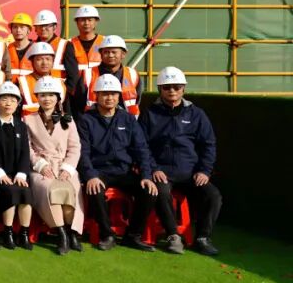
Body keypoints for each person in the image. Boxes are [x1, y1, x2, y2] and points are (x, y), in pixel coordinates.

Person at [141, 66, 221, 256]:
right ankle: (173, 236)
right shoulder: (149, 114)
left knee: (213, 196)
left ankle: (203, 238)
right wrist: (153, 168)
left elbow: (208, 144)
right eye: (167, 87)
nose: (172, 91)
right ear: (160, 89)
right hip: (162, 172)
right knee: (160, 192)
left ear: (183, 88)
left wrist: (204, 170)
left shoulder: (196, 114)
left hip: (191, 172)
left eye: (176, 87)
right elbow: (141, 146)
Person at [78, 74, 158, 251]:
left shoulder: (128, 119)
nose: (109, 98)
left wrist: (146, 175)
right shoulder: (86, 120)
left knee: (149, 191)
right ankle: (107, 235)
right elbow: (83, 152)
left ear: (119, 96)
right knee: (95, 189)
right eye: (105, 94)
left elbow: (141, 149)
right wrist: (90, 175)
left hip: (124, 171)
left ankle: (133, 236)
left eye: (113, 94)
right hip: (99, 171)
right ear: (96, 95)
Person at [24, 75, 84, 255]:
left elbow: (75, 147)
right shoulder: (28, 120)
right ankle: (61, 233)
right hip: (40, 168)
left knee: (71, 189)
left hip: (64, 166)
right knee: (48, 189)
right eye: (43, 95)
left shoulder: (68, 120)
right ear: (37, 97)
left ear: (58, 98)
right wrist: (40, 165)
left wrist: (67, 168)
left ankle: (72, 232)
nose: (47, 99)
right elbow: (27, 148)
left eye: (51, 95)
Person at [0, 82, 33, 250]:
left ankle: (24, 233)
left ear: (18, 103)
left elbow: (25, 152)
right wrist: (0, 173)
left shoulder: (21, 125)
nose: (8, 103)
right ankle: (8, 232)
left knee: (26, 191)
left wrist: (21, 173)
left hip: (16, 173)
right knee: (11, 191)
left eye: (13, 100)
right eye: (4, 99)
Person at [32, 9, 81, 113]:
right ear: (35, 29)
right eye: (40, 26)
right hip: (36, 93)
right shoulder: (31, 46)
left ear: (54, 27)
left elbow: (73, 74)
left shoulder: (65, 45)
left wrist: (64, 94)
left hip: (59, 96)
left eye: (47, 26)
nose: (43, 29)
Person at [82, 35, 141, 116]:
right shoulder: (88, 74)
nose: (110, 55)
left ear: (123, 54)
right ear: (100, 54)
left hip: (127, 121)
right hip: (94, 121)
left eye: (114, 52)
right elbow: (79, 102)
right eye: (106, 52)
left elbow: (137, 101)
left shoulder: (133, 74)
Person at [16, 42, 69, 116]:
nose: (44, 63)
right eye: (39, 59)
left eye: (48, 59)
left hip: (55, 122)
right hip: (29, 122)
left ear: (53, 61)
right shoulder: (22, 82)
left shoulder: (60, 83)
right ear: (32, 62)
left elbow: (65, 110)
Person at [70, 5, 104, 76]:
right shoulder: (69, 44)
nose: (86, 23)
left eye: (90, 20)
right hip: (77, 82)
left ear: (96, 22)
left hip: (100, 82)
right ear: (77, 22)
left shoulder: (104, 42)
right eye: (83, 20)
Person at [6, 12, 35, 82]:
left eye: (22, 27)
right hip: (10, 88)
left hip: (30, 88)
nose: (18, 30)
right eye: (15, 27)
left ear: (29, 30)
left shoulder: (36, 50)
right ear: (11, 30)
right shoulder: (6, 50)